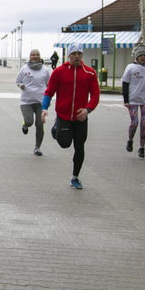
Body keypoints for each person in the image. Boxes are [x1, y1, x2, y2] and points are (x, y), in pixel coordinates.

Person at [41, 44, 100, 190]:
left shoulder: (90, 73)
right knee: (64, 143)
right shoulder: (59, 72)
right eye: (74, 53)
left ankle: (75, 177)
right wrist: (44, 108)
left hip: (81, 117)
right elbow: (49, 92)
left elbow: (95, 95)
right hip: (64, 116)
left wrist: (88, 110)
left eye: (79, 53)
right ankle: (56, 129)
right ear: (69, 55)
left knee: (79, 147)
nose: (77, 56)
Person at [15, 49, 50, 156]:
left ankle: (37, 147)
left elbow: (49, 85)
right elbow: (18, 81)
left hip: (40, 102)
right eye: (33, 55)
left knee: (39, 125)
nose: (35, 56)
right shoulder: (24, 68)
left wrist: (48, 99)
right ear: (30, 57)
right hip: (26, 101)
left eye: (37, 55)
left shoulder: (45, 70)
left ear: (40, 56)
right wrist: (21, 85)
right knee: (30, 122)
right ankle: (25, 125)